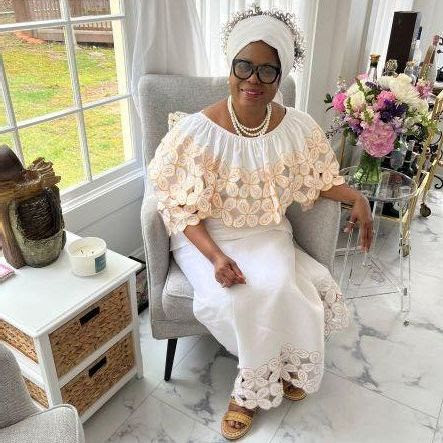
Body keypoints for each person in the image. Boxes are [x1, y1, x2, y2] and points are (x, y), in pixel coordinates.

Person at [148, 5, 373, 440]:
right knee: (234, 299)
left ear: (280, 75)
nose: (253, 79)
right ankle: (251, 388)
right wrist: (215, 257)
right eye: (244, 66)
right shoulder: (195, 132)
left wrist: (356, 196)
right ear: (231, 66)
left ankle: (265, 374)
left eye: (267, 71)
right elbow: (179, 208)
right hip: (204, 237)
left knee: (277, 285)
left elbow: (316, 178)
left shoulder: (297, 127)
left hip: (266, 231)